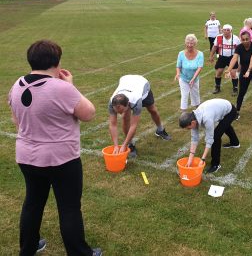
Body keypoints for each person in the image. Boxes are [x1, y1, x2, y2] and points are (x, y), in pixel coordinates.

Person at [8, 40, 102, 256]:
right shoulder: (61, 87)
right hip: (61, 159)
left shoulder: (17, 84)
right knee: (69, 208)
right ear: (56, 62)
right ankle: (79, 253)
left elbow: (17, 121)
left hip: (27, 157)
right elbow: (89, 114)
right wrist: (70, 85)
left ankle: (28, 249)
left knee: (32, 203)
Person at [108, 75, 171, 158]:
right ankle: (131, 144)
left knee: (152, 110)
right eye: (117, 111)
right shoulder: (112, 103)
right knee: (125, 118)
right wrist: (116, 145)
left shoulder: (136, 101)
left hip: (142, 84)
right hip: (126, 80)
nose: (119, 113)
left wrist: (123, 145)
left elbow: (134, 125)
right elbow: (113, 125)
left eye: (122, 111)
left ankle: (160, 130)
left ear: (128, 104)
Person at [178, 98, 240, 174]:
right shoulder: (193, 117)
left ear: (193, 122)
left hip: (230, 111)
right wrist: (190, 158)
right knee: (224, 126)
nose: (189, 130)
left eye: (188, 128)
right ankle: (235, 143)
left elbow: (210, 139)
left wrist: (203, 159)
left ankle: (215, 164)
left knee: (216, 136)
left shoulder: (207, 119)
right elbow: (194, 138)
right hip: (220, 108)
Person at [225, 31, 252, 123]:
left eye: (247, 39)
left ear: (250, 39)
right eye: (243, 39)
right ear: (241, 40)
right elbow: (234, 58)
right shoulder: (239, 47)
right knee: (241, 92)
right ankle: (236, 112)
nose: (245, 41)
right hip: (244, 72)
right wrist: (228, 70)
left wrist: (249, 71)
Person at [175, 34, 204, 111]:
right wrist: (178, 73)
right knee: (184, 96)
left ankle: (199, 112)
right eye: (188, 43)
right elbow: (178, 66)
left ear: (195, 44)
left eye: (191, 43)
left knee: (195, 95)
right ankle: (183, 115)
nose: (189, 45)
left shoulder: (200, 54)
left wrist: (193, 78)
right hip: (183, 78)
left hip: (194, 79)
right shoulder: (181, 53)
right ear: (185, 43)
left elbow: (199, 67)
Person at [209, 24, 241, 96]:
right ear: (222, 30)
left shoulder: (235, 38)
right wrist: (211, 56)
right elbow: (214, 47)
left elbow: (240, 48)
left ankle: (235, 88)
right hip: (222, 57)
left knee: (233, 73)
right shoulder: (219, 37)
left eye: (228, 30)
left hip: (232, 58)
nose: (226, 32)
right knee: (219, 72)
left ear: (231, 31)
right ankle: (217, 87)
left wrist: (240, 58)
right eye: (224, 30)